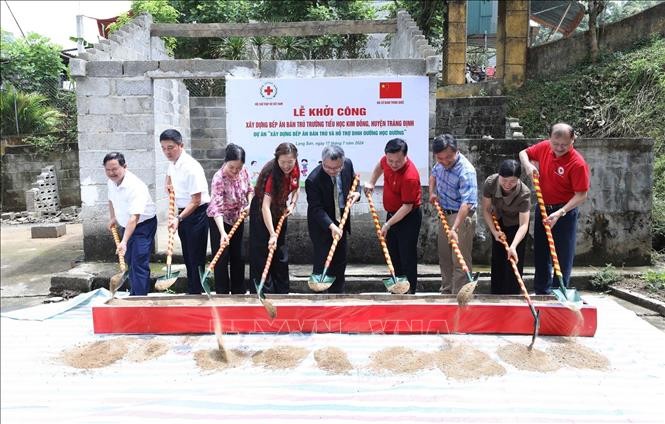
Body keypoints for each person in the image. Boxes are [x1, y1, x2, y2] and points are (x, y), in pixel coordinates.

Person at [519, 122, 590, 295]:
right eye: (555, 144)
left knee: (562, 254)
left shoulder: (577, 163)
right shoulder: (544, 147)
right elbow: (524, 153)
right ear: (549, 138)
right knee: (541, 252)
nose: (559, 148)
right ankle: (542, 292)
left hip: (564, 212)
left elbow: (581, 194)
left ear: (573, 140)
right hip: (544, 208)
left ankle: (560, 291)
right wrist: (528, 165)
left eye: (564, 145)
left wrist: (561, 212)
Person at [365, 138, 422, 294]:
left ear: (405, 156)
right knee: (392, 253)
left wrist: (388, 224)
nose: (393, 164)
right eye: (390, 160)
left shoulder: (410, 176)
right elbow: (380, 165)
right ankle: (397, 288)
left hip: (408, 218)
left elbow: (407, 207)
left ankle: (409, 291)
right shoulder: (387, 160)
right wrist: (371, 182)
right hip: (392, 216)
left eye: (397, 161)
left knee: (406, 255)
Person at [160, 129, 210, 295]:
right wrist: (168, 185)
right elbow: (168, 179)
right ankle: (192, 290)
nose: (167, 152)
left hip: (196, 213)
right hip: (183, 213)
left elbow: (196, 200)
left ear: (181, 145)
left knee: (196, 257)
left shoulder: (191, 167)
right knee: (188, 255)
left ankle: (197, 292)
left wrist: (178, 218)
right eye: (164, 148)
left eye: (170, 147)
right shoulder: (173, 163)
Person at [305, 145, 361, 293]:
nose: (332, 171)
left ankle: (338, 295)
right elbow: (316, 209)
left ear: (342, 163)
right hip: (322, 224)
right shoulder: (313, 180)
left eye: (337, 168)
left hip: (341, 219)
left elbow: (355, 181)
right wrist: (331, 226)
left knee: (339, 260)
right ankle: (319, 297)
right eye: (328, 167)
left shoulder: (347, 164)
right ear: (322, 162)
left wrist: (357, 194)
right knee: (323, 261)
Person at [428, 134, 478, 295]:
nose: (444, 161)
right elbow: (433, 175)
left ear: (457, 151)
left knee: (459, 258)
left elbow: (467, 202)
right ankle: (447, 291)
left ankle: (460, 294)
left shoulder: (466, 171)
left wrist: (455, 228)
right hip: (444, 214)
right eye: (440, 158)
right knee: (444, 256)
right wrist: (432, 193)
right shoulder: (440, 164)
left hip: (461, 216)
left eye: (448, 157)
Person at [249, 142, 300, 294]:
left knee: (280, 251)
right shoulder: (272, 173)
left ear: (295, 159)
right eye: (282, 162)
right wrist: (272, 234)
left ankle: (282, 290)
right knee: (262, 251)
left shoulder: (295, 168)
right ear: (277, 159)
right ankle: (263, 292)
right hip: (261, 211)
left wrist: (293, 204)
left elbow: (296, 187)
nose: (286, 166)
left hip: (280, 209)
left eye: (289, 162)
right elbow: (265, 206)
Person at [104, 152, 157, 296]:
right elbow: (111, 200)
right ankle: (136, 293)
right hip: (126, 225)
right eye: (108, 170)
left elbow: (135, 217)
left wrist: (124, 241)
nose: (111, 173)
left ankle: (139, 299)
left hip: (143, 225)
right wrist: (113, 217)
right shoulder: (111, 182)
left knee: (138, 261)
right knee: (130, 261)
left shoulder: (135, 186)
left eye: (115, 169)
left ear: (125, 167)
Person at [206, 143, 254, 294]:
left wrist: (250, 205)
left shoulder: (244, 171)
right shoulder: (218, 178)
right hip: (219, 221)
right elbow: (216, 207)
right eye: (231, 167)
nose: (235, 171)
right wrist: (222, 233)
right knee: (221, 257)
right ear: (226, 161)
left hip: (238, 218)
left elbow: (250, 190)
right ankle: (222, 291)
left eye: (238, 168)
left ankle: (238, 290)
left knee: (238, 255)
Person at [481, 159, 531, 295]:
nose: (508, 185)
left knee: (514, 260)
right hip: (498, 222)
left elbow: (524, 224)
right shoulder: (491, 182)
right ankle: (496, 294)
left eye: (512, 182)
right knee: (498, 258)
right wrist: (494, 232)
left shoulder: (524, 193)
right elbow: (485, 210)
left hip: (516, 226)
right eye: (504, 181)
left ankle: (513, 295)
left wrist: (513, 246)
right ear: (499, 176)